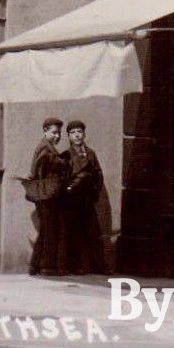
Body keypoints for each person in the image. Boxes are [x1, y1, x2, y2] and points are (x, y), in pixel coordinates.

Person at [59, 120, 106, 275]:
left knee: (93, 232)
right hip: (72, 200)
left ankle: (99, 266)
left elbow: (99, 175)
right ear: (68, 137)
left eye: (79, 132)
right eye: (73, 133)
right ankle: (74, 266)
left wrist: (95, 192)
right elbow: (63, 177)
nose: (77, 135)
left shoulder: (91, 153)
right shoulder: (66, 155)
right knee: (73, 233)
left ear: (84, 134)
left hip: (87, 198)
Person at [28, 116, 68, 276]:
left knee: (45, 230)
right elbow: (35, 170)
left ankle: (35, 266)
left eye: (59, 133)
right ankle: (47, 267)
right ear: (45, 130)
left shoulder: (47, 146)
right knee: (51, 231)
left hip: (45, 194)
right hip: (46, 195)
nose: (57, 136)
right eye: (54, 132)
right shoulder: (45, 148)